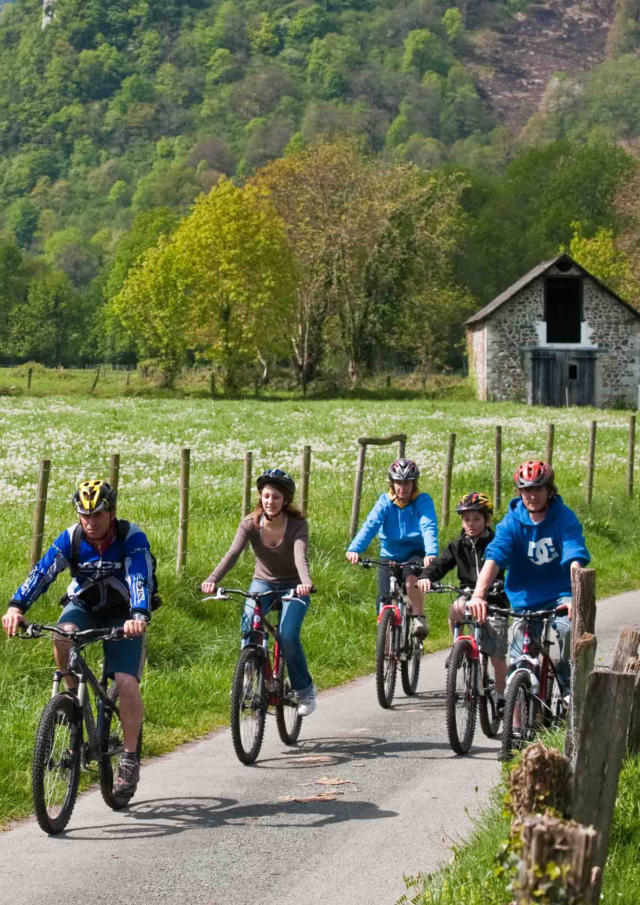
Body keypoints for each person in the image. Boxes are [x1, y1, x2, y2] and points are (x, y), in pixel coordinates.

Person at [2, 479, 152, 801]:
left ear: (111, 513)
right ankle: (73, 704)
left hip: (123, 613)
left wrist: (138, 615)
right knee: (60, 634)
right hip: (84, 604)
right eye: (84, 514)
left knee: (125, 682)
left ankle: (128, 756)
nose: (90, 522)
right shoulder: (73, 538)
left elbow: (139, 575)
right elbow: (42, 572)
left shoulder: (130, 537)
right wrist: (16, 606)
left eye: (97, 514)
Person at [469, 460, 590, 698]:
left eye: (537, 489)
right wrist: (478, 595)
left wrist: (576, 598)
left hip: (559, 595)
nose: (531, 496)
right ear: (519, 492)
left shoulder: (563, 517)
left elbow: (574, 554)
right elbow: (494, 557)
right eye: (526, 490)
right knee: (519, 656)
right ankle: (520, 714)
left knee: (567, 631)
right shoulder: (512, 521)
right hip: (524, 598)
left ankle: (567, 683)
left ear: (548, 490)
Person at [201, 468, 317, 716]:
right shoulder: (250, 524)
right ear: (260, 497)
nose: (270, 501)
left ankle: (304, 689)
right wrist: (212, 579)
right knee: (249, 627)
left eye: (275, 497)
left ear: (285, 499)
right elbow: (232, 554)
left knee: (287, 636)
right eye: (266, 496)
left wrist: (306, 582)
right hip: (263, 583)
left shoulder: (297, 524)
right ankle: (248, 677)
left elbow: (300, 557)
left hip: (294, 584)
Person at [417, 492, 508, 709]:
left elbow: (512, 566)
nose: (471, 524)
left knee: (496, 653)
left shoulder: (497, 542)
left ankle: (502, 693)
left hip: (495, 598)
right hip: (467, 594)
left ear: (486, 519)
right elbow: (441, 564)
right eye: (467, 519)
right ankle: (458, 645)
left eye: (476, 519)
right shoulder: (458, 544)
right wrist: (425, 577)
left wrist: (509, 584)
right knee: (455, 609)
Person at [345, 458, 438, 639]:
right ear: (392, 483)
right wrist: (355, 549)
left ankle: (419, 618)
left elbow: (429, 526)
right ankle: (385, 643)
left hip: (414, 553)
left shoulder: (422, 501)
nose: (402, 488)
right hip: (389, 554)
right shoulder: (385, 502)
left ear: (413, 484)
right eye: (398, 483)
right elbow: (370, 525)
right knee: (384, 599)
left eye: (407, 483)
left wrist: (431, 553)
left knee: (411, 581)